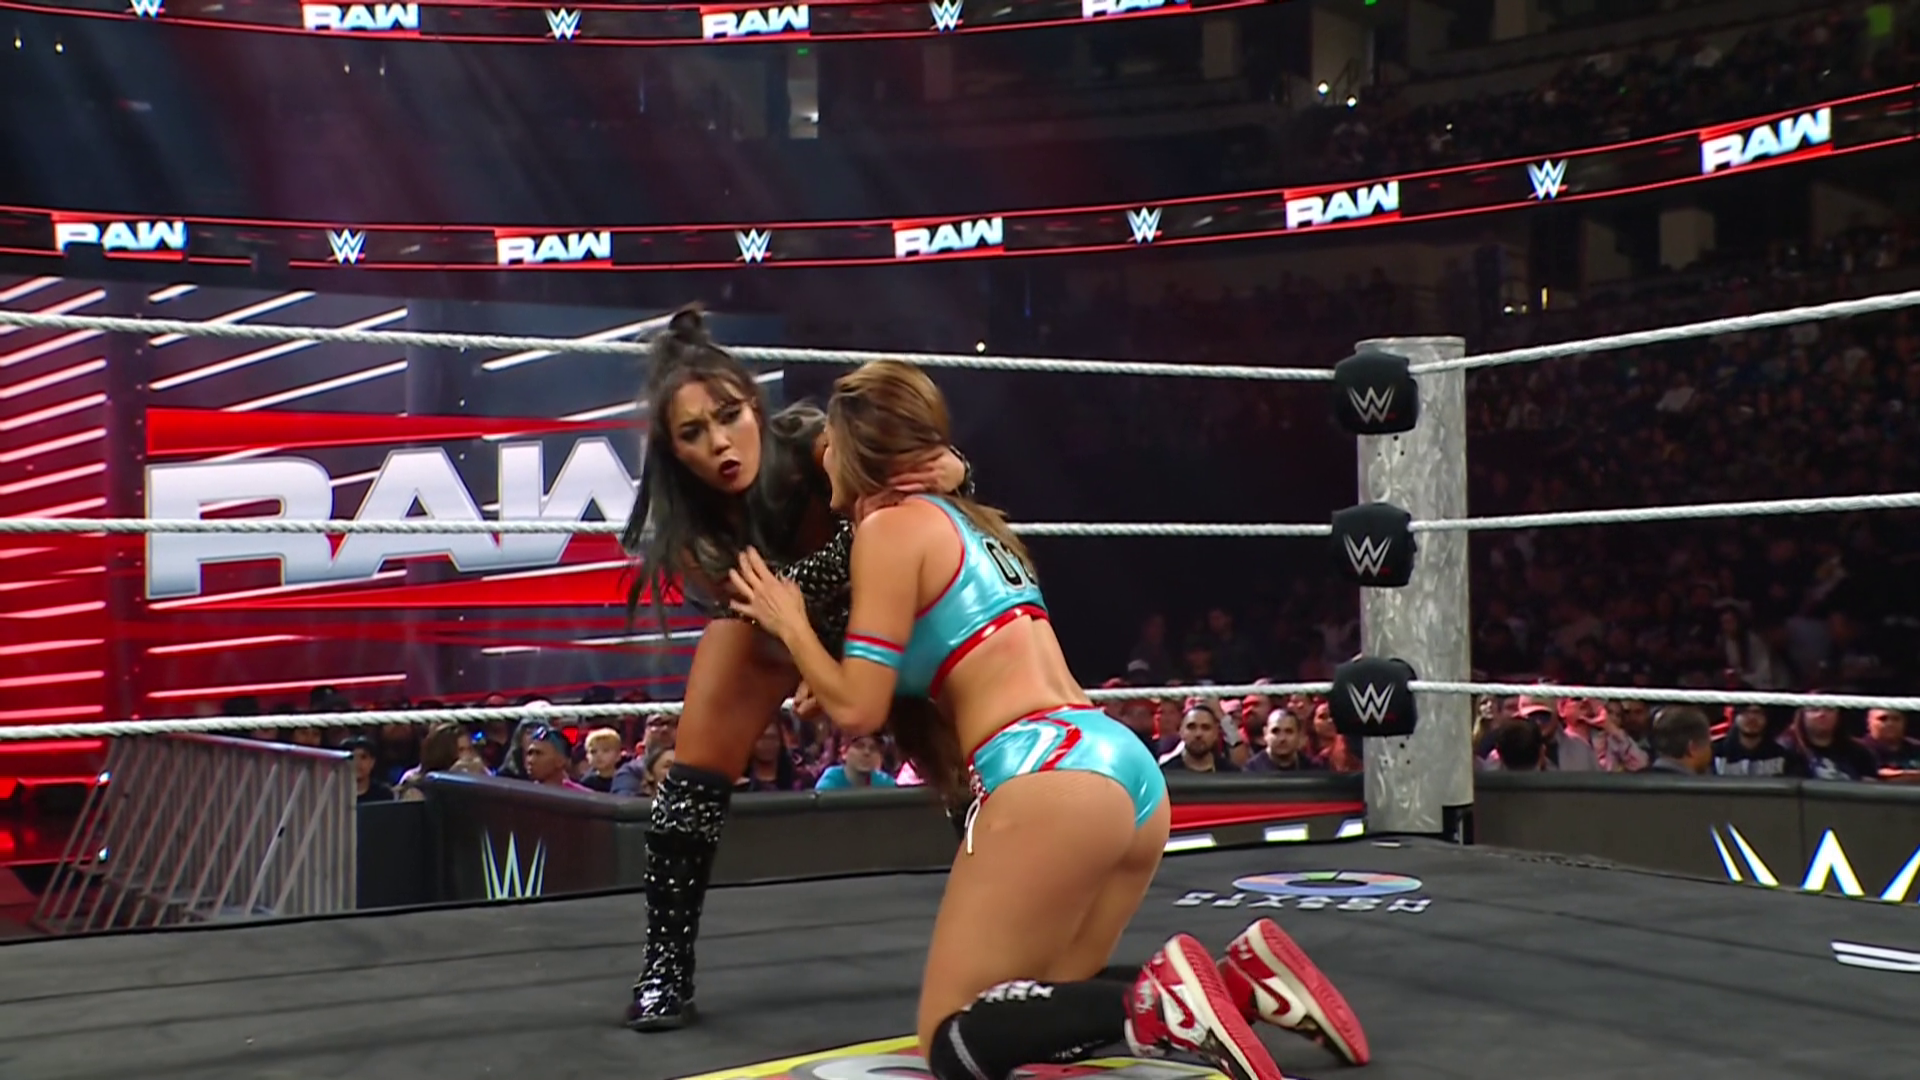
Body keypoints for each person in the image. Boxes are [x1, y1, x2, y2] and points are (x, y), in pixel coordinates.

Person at [727, 360, 1369, 1080]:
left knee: (951, 1037)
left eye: (830, 449)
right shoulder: (976, 525)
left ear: (857, 449)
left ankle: (1161, 1001)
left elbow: (860, 709)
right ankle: (1242, 982)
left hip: (1045, 774)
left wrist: (791, 623)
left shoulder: (890, 530)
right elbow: (942, 654)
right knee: (1036, 1001)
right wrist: (829, 669)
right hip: (1116, 765)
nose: (824, 466)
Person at [620, 307, 973, 1030]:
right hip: (775, 623)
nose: (721, 443)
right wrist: (812, 649)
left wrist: (955, 471)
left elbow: (914, 506)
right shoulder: (682, 528)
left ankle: (1018, 923)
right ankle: (665, 967)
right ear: (673, 449)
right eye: (694, 432)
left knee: (967, 761)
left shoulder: (815, 442)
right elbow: (757, 602)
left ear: (755, 406)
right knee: (688, 782)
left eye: (729, 416)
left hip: (887, 602)